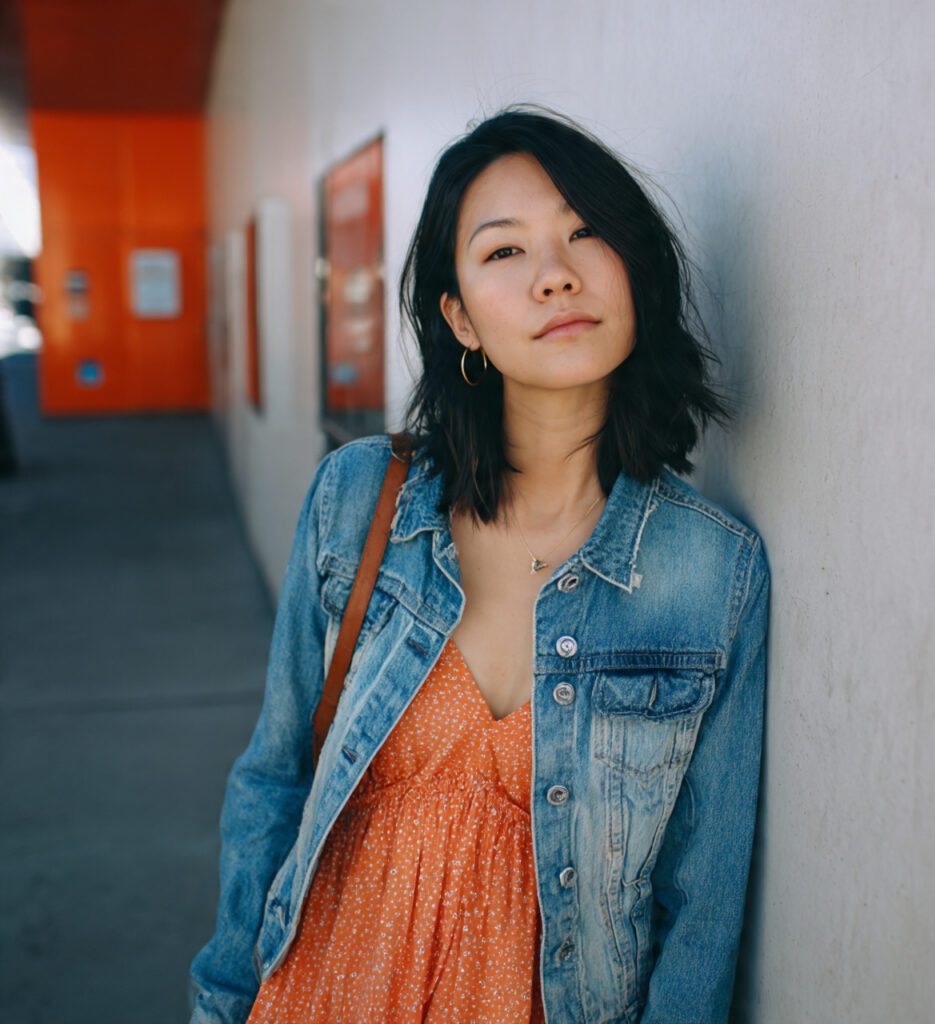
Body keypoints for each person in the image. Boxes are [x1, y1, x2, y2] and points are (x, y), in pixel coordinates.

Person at [189, 105, 771, 1024]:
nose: (555, 276)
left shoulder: (711, 571)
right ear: (457, 316)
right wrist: (219, 1005)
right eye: (505, 252)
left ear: (637, 270)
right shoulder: (358, 500)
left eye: (585, 233)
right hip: (321, 990)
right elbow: (273, 779)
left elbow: (701, 910)